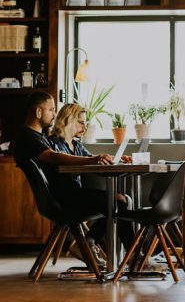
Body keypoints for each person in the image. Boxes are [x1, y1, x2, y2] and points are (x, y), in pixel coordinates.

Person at [12, 94, 133, 267]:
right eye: (51, 110)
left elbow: (71, 157)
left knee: (119, 200)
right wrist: (92, 160)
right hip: (62, 200)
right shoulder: (28, 137)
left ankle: (120, 251)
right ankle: (132, 255)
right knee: (118, 201)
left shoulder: (39, 137)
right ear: (38, 112)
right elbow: (52, 157)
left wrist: (115, 160)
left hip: (66, 196)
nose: (54, 114)